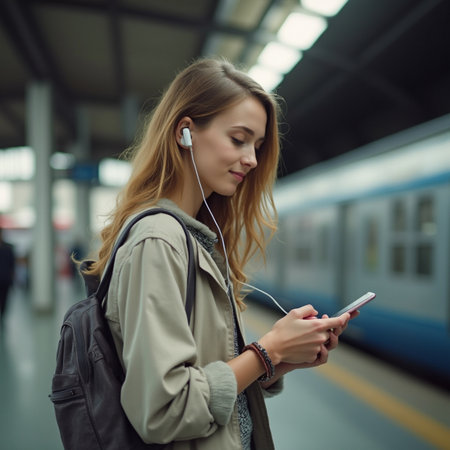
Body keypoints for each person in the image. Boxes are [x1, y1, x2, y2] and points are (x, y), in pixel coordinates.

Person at [83, 58, 352, 449]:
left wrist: (276, 362)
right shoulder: (158, 240)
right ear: (186, 133)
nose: (253, 160)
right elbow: (165, 410)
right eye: (238, 139)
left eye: (257, 146)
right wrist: (266, 350)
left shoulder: (196, 238)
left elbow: (208, 375)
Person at [0, 227, 15, 326]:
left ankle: (2, 315)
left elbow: (12, 264)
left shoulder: (8, 247)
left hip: (5, 279)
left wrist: (12, 276)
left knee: (4, 299)